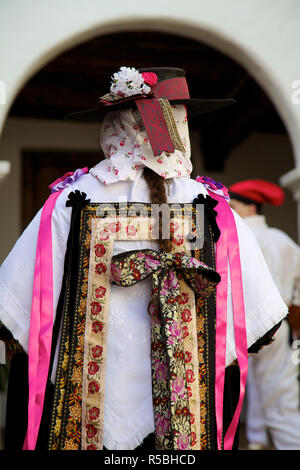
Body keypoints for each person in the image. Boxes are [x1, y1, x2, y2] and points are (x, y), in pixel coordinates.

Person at [0, 68, 287, 451]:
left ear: (115, 125)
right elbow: (254, 319)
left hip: (84, 407)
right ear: (176, 126)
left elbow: (20, 309)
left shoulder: (71, 200)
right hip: (187, 406)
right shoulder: (210, 205)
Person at [229, 179, 300, 450]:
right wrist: (295, 307)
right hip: (275, 322)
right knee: (270, 386)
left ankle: (284, 443)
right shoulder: (281, 239)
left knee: (268, 389)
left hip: (245, 324)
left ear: (249, 208)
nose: (231, 212)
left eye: (234, 207)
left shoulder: (240, 235)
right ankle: (259, 440)